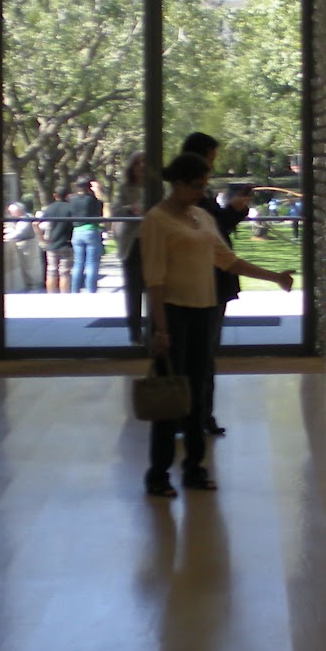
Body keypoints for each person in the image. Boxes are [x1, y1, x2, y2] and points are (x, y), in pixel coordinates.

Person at [140, 151, 293, 498]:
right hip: (173, 314)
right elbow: (155, 279)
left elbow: (227, 260)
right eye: (196, 185)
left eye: (204, 185)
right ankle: (158, 474)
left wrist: (275, 277)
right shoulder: (157, 220)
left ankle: (195, 468)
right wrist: (161, 329)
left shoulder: (201, 217)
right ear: (177, 184)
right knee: (171, 397)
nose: (202, 191)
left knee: (198, 393)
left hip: (204, 310)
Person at [181, 131, 251, 437]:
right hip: (206, 281)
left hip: (210, 281)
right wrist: (232, 212)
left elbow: (216, 231)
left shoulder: (197, 197)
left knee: (203, 353)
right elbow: (214, 236)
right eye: (211, 158)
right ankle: (196, 414)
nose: (212, 165)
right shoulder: (191, 200)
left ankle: (198, 413)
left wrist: (234, 211)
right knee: (202, 354)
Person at [114, 152, 148, 344]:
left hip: (154, 241)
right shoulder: (125, 188)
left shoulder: (159, 188)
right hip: (132, 243)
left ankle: (157, 330)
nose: (141, 168)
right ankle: (135, 332)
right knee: (133, 289)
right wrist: (130, 208)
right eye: (138, 164)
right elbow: (116, 210)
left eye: (145, 164)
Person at [68, 176, 106, 293]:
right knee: (91, 263)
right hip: (91, 229)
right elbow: (103, 203)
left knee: (78, 263)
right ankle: (90, 290)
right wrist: (98, 190)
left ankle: (75, 290)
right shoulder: (91, 199)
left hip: (77, 231)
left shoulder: (72, 200)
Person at [37, 187, 74, 294]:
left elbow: (35, 223)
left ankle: (51, 295)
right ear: (68, 195)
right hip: (66, 243)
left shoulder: (50, 208)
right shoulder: (70, 208)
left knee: (51, 271)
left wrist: (42, 238)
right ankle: (64, 295)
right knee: (65, 272)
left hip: (52, 243)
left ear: (55, 195)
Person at [5, 202, 41, 291]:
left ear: (18, 211)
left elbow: (19, 233)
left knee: (28, 267)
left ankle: (33, 286)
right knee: (27, 267)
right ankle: (31, 286)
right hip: (27, 243)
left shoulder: (25, 219)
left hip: (27, 244)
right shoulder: (24, 217)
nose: (11, 214)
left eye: (12, 212)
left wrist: (5, 236)